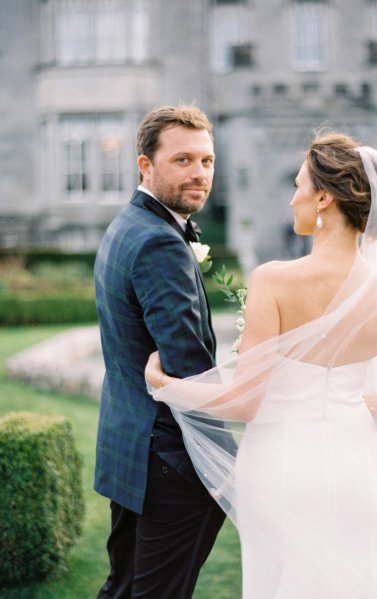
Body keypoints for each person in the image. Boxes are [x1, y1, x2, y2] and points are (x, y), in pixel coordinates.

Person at [145, 132, 377, 598]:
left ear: (323, 197)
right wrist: (345, 405)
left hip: (283, 469)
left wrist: (164, 385)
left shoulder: (272, 280)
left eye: (298, 185)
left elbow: (244, 401)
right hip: (360, 472)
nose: (292, 197)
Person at [94, 104, 226, 599]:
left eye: (207, 161)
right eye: (183, 160)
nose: (199, 173)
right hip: (172, 462)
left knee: (124, 588)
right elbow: (190, 369)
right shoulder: (159, 244)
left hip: (130, 445)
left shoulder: (129, 225)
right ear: (145, 165)